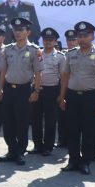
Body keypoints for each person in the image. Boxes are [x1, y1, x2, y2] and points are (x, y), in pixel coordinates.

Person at [58, 21, 95, 175]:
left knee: (88, 131)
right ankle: (73, 160)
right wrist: (62, 97)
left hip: (90, 97)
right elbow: (65, 76)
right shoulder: (71, 53)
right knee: (72, 130)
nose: (81, 39)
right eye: (79, 36)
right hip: (72, 96)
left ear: (92, 36)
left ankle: (85, 162)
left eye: (85, 36)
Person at [0, 17, 42, 166]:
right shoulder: (8, 49)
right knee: (8, 122)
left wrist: (36, 91)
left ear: (28, 32)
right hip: (9, 89)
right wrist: (0, 88)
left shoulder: (35, 50)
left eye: (21, 30)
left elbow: (38, 73)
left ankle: (20, 152)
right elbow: (4, 70)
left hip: (24, 90)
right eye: (16, 30)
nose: (18, 33)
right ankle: (11, 150)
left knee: (22, 122)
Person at [30, 27, 65, 156]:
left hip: (52, 90)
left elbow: (63, 78)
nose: (48, 42)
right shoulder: (37, 53)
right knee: (36, 119)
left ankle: (48, 146)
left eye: (51, 40)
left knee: (50, 120)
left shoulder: (61, 57)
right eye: (45, 39)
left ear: (56, 41)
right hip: (38, 89)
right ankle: (37, 145)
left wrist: (61, 95)